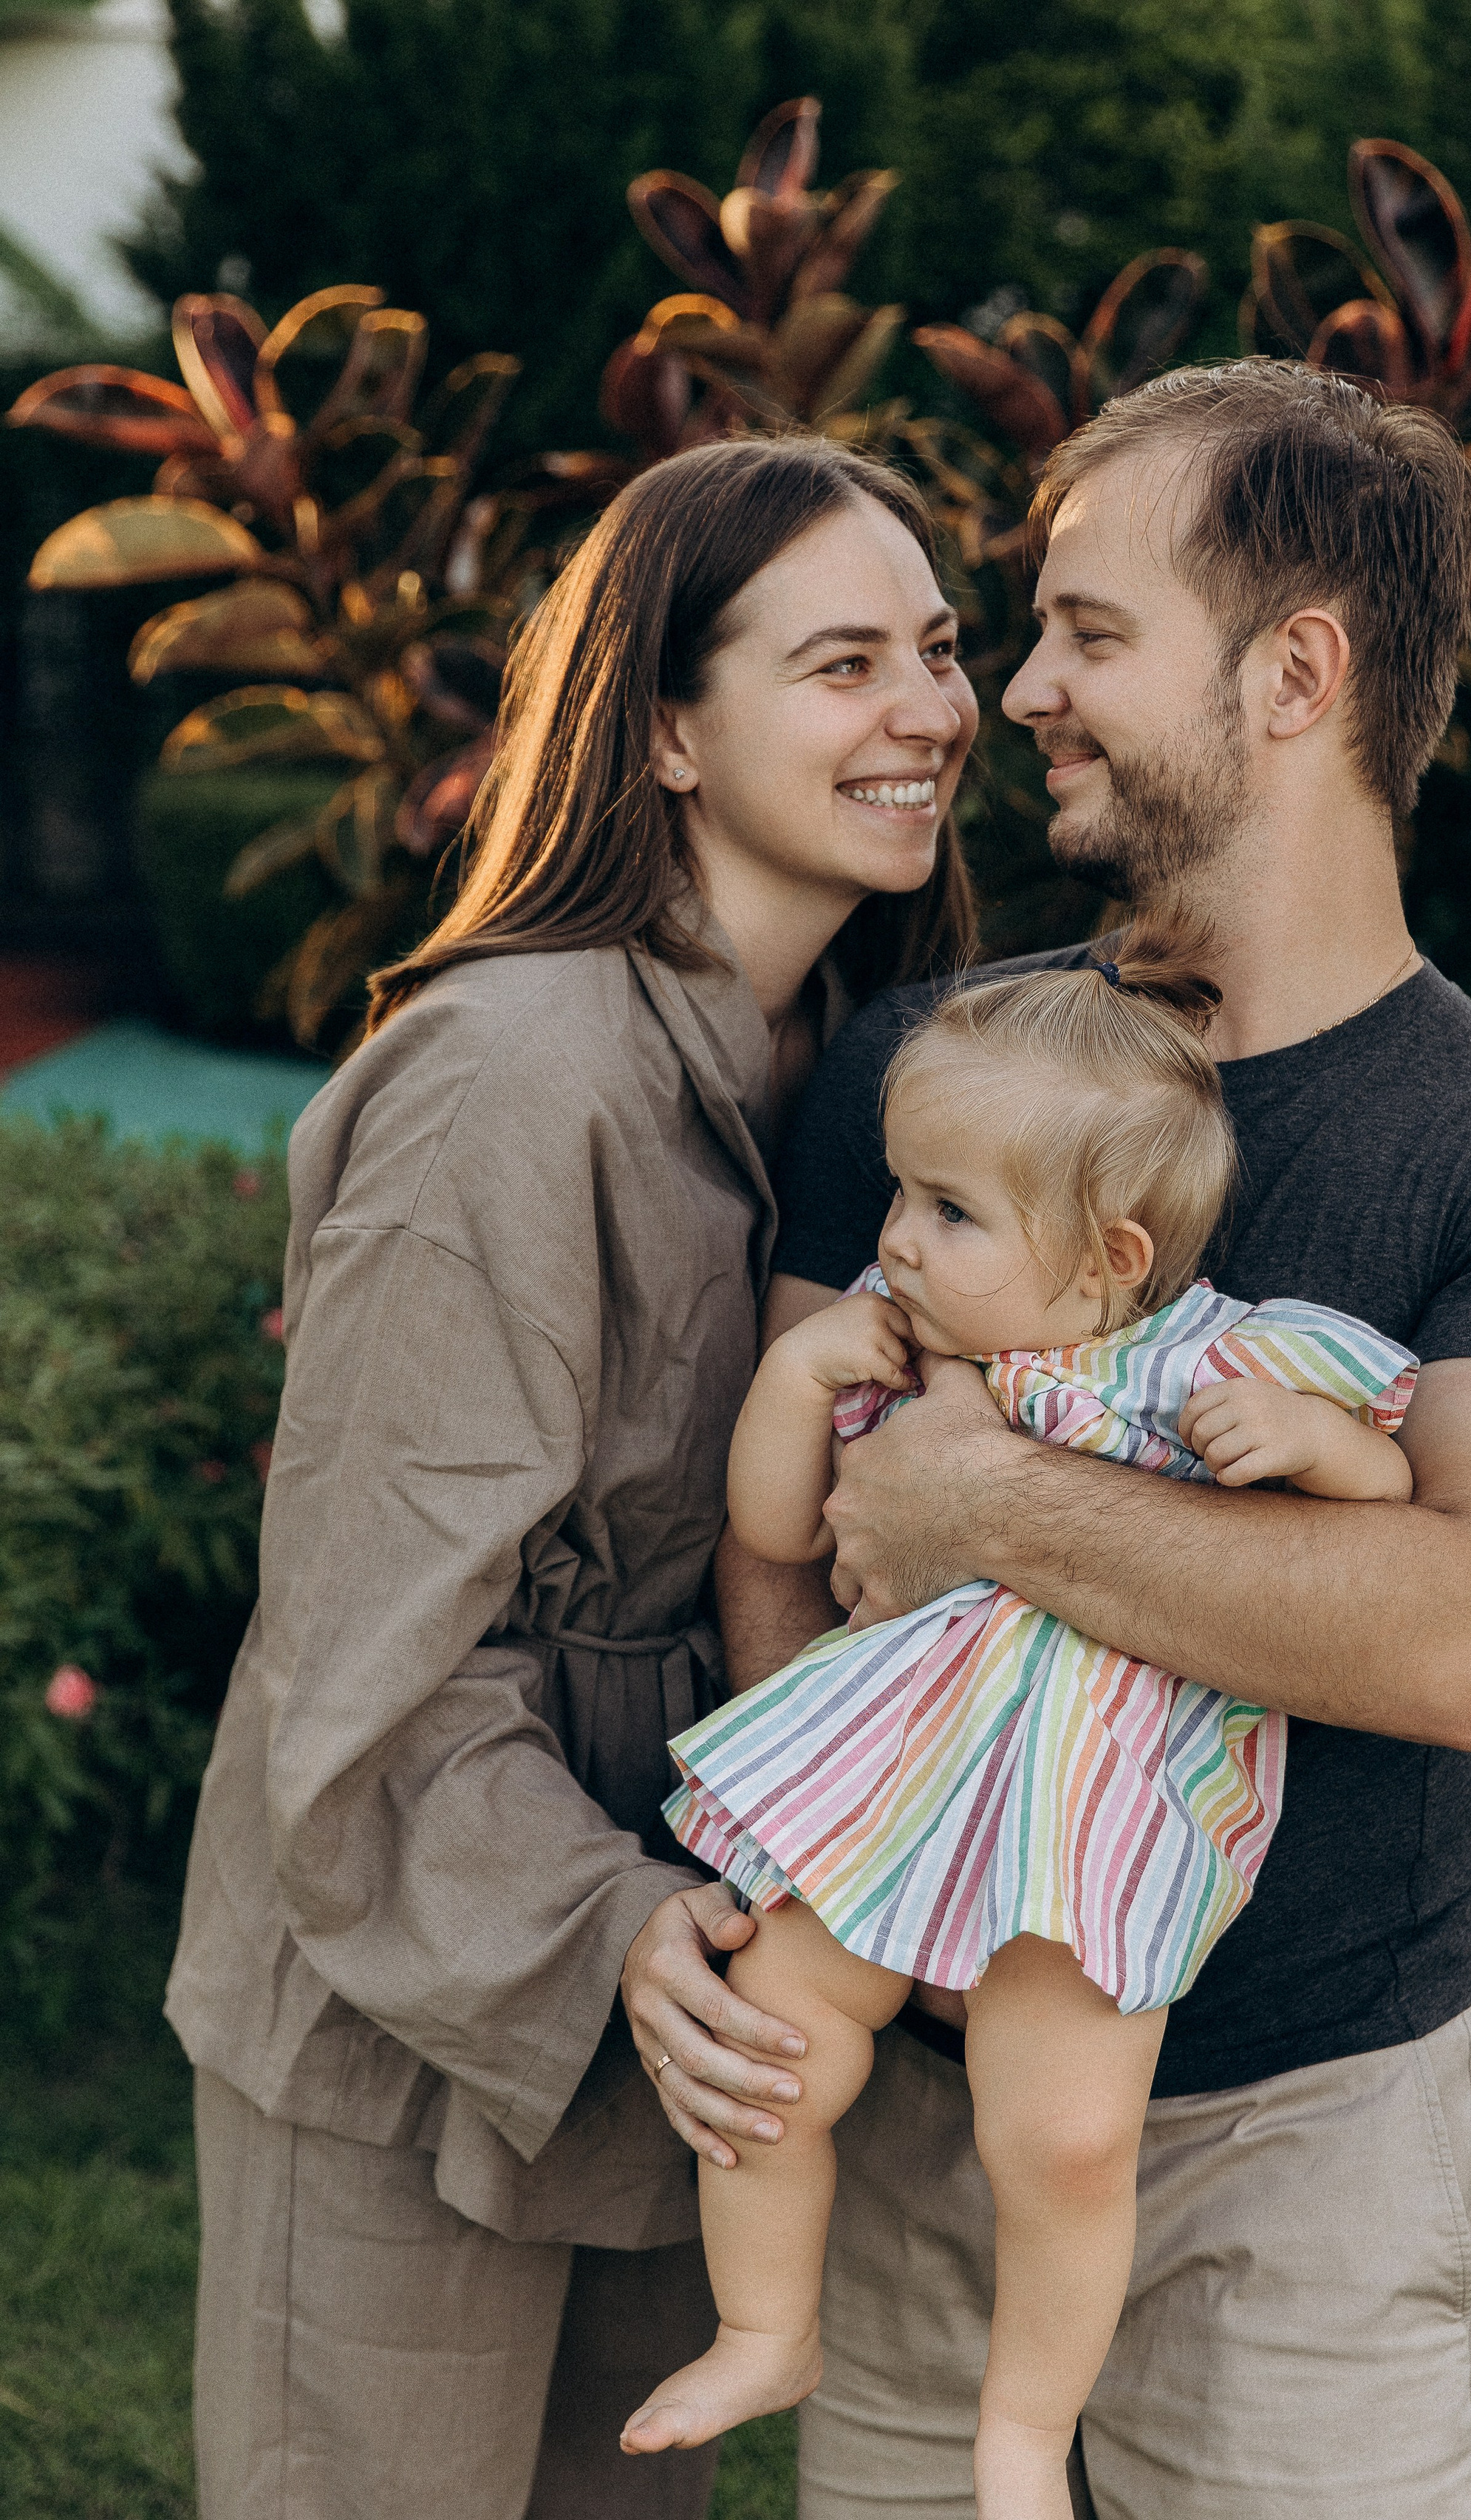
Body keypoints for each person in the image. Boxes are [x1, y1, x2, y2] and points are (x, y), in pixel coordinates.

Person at [662, 361, 1471, 2519]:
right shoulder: (935, 1080)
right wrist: (829, 1870)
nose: (1012, 690)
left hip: (1304, 2149)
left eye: (1086, 635)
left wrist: (992, 1500)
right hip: (930, 2114)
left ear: (1297, 672)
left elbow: (1459, 1636)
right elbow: (792, 1542)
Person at [161, 432, 978, 2520]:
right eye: (843, 664)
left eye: (945, 650)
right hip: (417, 1957)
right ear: (670, 731)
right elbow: (365, 1656)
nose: (932, 712)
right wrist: (609, 1919)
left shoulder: (855, 1066)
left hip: (667, 1956)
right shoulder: (513, 1081)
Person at [624, 941, 1418, 2519]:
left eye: (947, 1211)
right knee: (775, 2036)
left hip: (1092, 1813)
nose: (894, 1239)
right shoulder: (894, 1339)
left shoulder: (1215, 1357)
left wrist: (1320, 1446)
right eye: (902, 1195)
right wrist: (795, 1374)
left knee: (1058, 2139)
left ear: (1111, 1251)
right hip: (902, 1787)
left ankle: (1018, 2432)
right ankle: (766, 2325)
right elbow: (773, 1528)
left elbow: (1394, 1511)